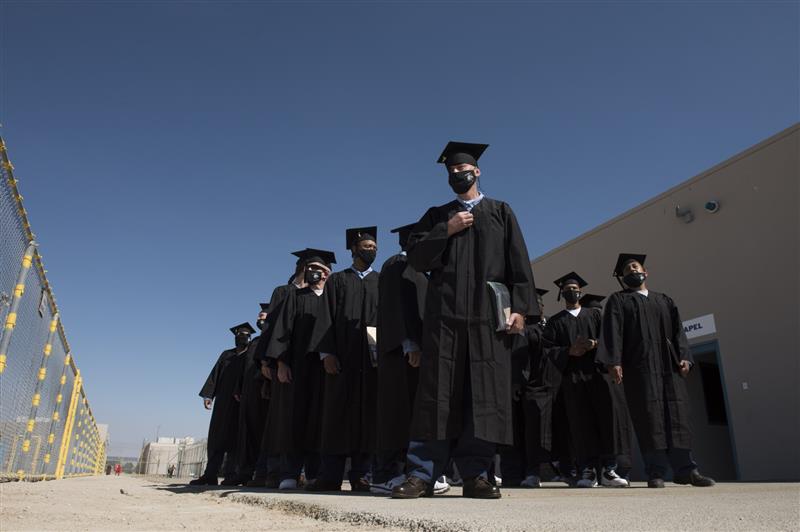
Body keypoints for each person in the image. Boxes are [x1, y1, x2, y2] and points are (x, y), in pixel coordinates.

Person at [392, 141, 537, 499]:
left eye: (464, 170)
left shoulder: (502, 212)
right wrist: (448, 229)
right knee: (437, 395)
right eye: (452, 172)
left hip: (489, 320)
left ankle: (477, 475)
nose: (459, 175)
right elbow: (418, 259)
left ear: (478, 171)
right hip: (445, 319)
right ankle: (422, 474)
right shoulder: (436, 215)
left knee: (484, 396)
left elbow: (519, 264)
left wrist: (520, 308)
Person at [597, 254, 715, 488]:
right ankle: (656, 472)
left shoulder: (664, 300)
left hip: (668, 366)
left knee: (677, 415)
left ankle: (686, 470)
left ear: (646, 272)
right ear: (623, 278)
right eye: (627, 270)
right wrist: (614, 362)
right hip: (639, 367)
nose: (632, 270)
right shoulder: (618, 301)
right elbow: (612, 332)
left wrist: (684, 358)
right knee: (649, 418)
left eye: (636, 267)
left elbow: (678, 332)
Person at [371, 224, 451, 495]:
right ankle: (385, 474)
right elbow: (395, 307)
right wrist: (409, 343)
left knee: (413, 414)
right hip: (401, 354)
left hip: (417, 354)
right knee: (395, 413)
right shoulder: (397, 264)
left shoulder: (423, 271)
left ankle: (413, 472)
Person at [308, 228, 380, 493]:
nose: (370, 250)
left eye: (374, 247)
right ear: (353, 249)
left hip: (371, 359)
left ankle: (362, 474)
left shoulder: (381, 281)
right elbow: (325, 318)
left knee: (368, 417)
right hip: (342, 359)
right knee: (336, 416)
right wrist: (326, 353)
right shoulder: (337, 281)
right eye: (366, 246)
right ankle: (331, 475)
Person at [542, 272, 629, 488]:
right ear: (561, 293)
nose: (572, 290)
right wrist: (568, 351)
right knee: (581, 425)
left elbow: (611, 339)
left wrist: (595, 344)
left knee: (606, 420)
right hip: (572, 380)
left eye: (575, 287)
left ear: (580, 291)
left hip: (598, 375)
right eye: (567, 288)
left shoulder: (595, 315)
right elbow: (547, 352)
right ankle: (588, 471)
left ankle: (609, 470)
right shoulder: (555, 322)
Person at [264, 249, 337, 490]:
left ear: (329, 273)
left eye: (323, 269)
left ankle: (315, 473)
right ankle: (290, 472)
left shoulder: (334, 298)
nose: (318, 273)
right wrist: (281, 362)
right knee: (295, 418)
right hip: (298, 367)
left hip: (325, 369)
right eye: (313, 268)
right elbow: (282, 331)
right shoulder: (296, 297)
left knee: (321, 420)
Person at [250, 252, 309, 488]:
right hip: (283, 361)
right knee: (279, 418)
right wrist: (266, 361)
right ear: (302, 268)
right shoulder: (283, 292)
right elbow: (270, 327)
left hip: (306, 363)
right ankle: (271, 471)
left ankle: (299, 471)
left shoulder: (320, 294)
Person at [190, 322, 255, 486]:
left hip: (240, 402)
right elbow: (215, 374)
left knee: (235, 439)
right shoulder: (226, 355)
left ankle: (231, 475)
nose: (243, 336)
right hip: (223, 402)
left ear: (250, 337)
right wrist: (208, 395)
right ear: (235, 337)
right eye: (240, 334)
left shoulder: (250, 355)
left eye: (246, 334)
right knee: (216, 438)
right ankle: (210, 474)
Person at [230, 305, 273, 486]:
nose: (260, 315)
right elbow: (245, 368)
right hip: (248, 393)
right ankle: (245, 472)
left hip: (263, 392)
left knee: (262, 433)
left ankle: (262, 473)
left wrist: (266, 383)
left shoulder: (273, 337)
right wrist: (238, 388)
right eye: (259, 314)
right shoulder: (255, 341)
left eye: (265, 314)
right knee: (247, 434)